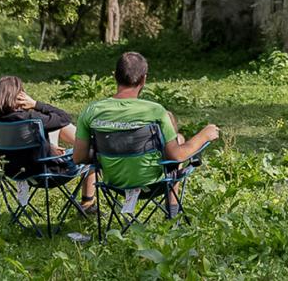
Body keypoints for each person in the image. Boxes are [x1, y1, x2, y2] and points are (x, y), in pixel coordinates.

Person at [73, 52, 219, 212]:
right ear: (144, 79)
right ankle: (172, 210)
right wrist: (204, 134)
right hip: (153, 183)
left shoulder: (91, 111)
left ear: (115, 76)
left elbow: (79, 157)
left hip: (113, 183)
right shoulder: (156, 111)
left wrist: (102, 156)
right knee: (179, 139)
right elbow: (176, 155)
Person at [0, 75, 96, 208]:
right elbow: (64, 117)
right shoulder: (32, 118)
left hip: (16, 172)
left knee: (55, 128)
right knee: (92, 153)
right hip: (48, 173)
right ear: (19, 96)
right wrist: (36, 104)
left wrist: (50, 147)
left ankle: (57, 146)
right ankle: (88, 204)